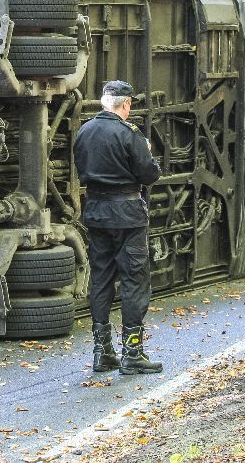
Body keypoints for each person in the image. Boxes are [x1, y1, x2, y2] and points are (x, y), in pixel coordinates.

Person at [73, 80, 162, 375]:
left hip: (96, 211)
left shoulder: (84, 131)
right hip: (127, 215)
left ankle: (103, 353)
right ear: (126, 104)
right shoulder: (129, 133)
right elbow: (149, 175)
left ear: (103, 102)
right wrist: (147, 151)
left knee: (101, 279)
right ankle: (132, 353)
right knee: (134, 280)